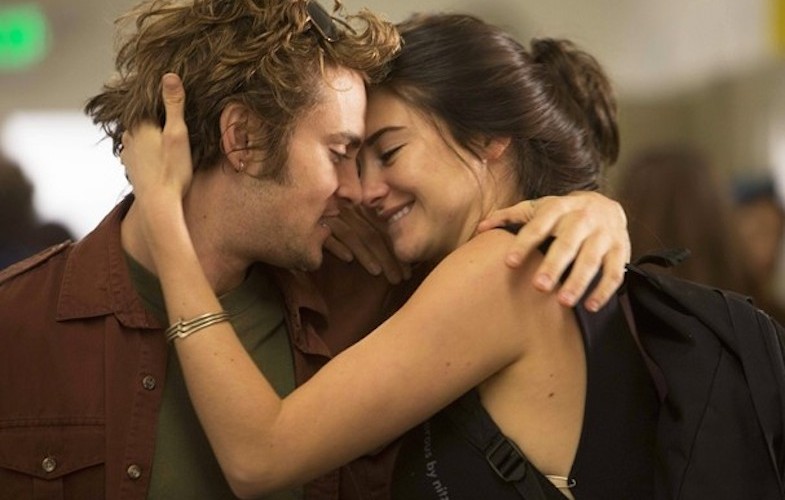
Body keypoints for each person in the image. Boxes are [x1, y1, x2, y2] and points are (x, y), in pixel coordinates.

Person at [0, 2, 630, 500]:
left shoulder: (397, 286)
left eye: (383, 152)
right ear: (243, 139)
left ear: (492, 141)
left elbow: (261, 455)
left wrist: (595, 207)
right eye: (343, 154)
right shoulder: (19, 318)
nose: (359, 190)